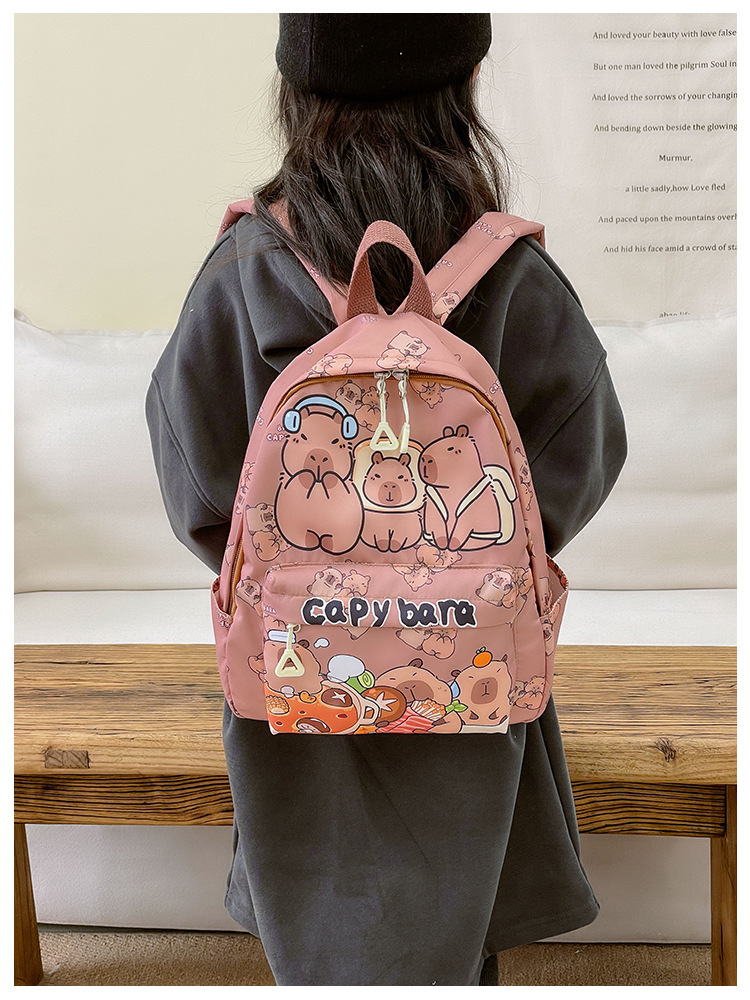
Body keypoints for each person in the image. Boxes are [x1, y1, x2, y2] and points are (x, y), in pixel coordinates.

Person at [146, 14, 627, 987]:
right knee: (461, 906)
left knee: (317, 911)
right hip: (471, 668)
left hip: (300, 670)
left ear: (293, 89)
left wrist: (307, 565)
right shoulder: (509, 269)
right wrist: (467, 565)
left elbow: (194, 472)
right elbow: (587, 445)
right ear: (470, 76)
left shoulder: (247, 268)